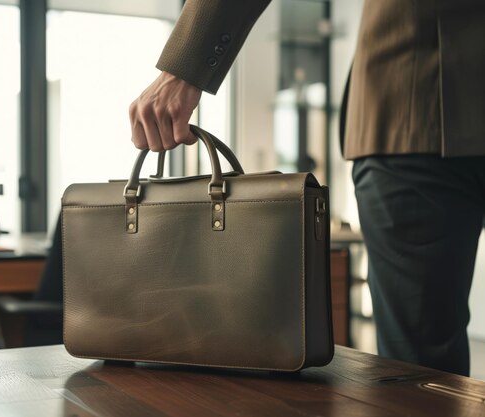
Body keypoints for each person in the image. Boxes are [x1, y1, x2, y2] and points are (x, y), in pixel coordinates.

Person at [129, 0, 485, 377]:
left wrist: (181, 70)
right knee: (423, 371)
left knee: (422, 368)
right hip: (415, 112)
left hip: (412, 105)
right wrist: (186, 66)